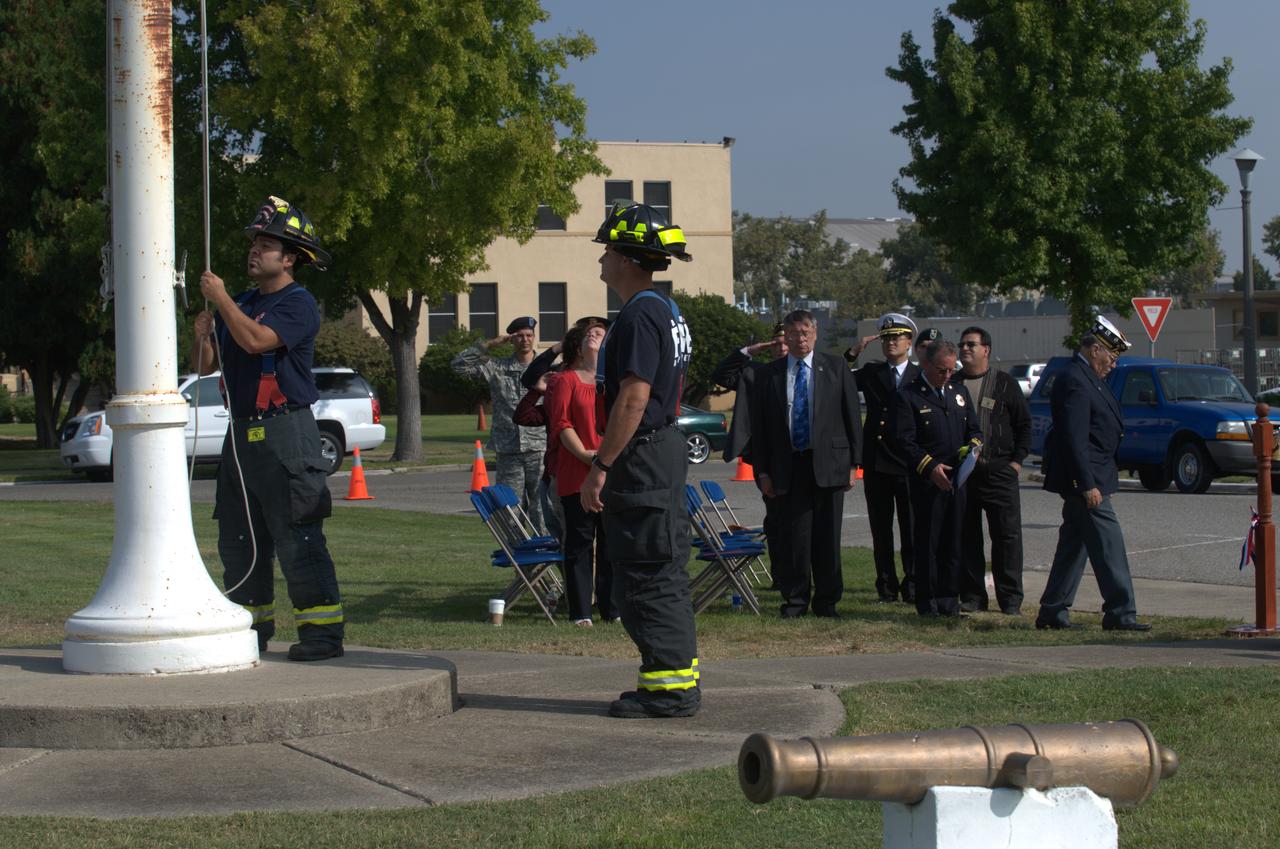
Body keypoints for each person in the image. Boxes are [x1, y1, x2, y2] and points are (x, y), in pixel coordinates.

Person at [190, 196, 344, 661]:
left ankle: (321, 636)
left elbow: (258, 341)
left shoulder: (298, 303)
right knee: (239, 539)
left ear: (290, 257)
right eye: (255, 242)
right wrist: (202, 334)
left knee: (296, 535)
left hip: (286, 433)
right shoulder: (242, 302)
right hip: (240, 436)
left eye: (267, 244)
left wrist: (219, 301)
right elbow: (202, 366)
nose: (255, 250)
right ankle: (249, 630)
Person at [579, 201, 698, 719]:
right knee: (654, 569)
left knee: (648, 573)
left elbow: (634, 397)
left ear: (626, 258)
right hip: (658, 452)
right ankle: (664, 683)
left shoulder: (641, 313)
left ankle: (670, 691)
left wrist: (600, 466)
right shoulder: (664, 311)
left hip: (644, 457)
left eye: (606, 249)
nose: (601, 260)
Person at [1036, 317, 1151, 632]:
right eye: (1111, 357)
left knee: (1074, 547)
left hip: (1094, 476)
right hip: (1086, 481)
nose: (1113, 364)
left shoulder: (1088, 376)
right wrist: (1086, 484)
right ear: (1095, 349)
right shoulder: (1075, 378)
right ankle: (1121, 612)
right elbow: (1073, 438)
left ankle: (1052, 611)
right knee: (1109, 545)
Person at [750, 309, 862, 619]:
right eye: (793, 334)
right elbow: (759, 430)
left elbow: (852, 417)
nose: (799, 339)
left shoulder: (836, 367)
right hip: (789, 465)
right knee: (795, 539)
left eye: (805, 333)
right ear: (784, 336)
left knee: (827, 538)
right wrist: (762, 472)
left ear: (815, 334)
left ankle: (827, 602)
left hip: (829, 463)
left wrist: (854, 463)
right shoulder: (768, 374)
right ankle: (795, 600)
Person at [890, 339, 983, 617]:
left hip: (957, 481)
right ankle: (927, 601)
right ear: (927, 365)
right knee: (928, 543)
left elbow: (974, 430)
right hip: (927, 481)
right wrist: (929, 467)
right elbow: (903, 440)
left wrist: (975, 447)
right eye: (942, 370)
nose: (947, 375)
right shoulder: (909, 396)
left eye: (951, 370)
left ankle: (948, 599)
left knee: (954, 542)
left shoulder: (959, 392)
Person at [956, 327, 1032, 614]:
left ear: (986, 349)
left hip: (999, 471)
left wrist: (1015, 463)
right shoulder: (954, 383)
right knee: (967, 537)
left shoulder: (1003, 383)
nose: (965, 349)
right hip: (965, 474)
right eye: (962, 344)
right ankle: (973, 596)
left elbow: (1024, 425)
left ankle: (1010, 600)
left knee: (1007, 537)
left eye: (971, 344)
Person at [546, 319, 615, 627]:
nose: (593, 334)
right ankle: (580, 612)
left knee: (612, 543)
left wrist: (605, 461)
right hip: (577, 471)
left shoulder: (614, 380)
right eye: (588, 332)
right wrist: (587, 456)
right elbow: (561, 424)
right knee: (579, 544)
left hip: (612, 471)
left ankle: (611, 609)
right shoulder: (565, 380)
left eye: (600, 331)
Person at [848, 312, 920, 604]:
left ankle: (913, 584)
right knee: (881, 529)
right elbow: (836, 376)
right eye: (887, 338)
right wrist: (854, 352)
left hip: (908, 462)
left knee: (912, 528)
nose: (891, 343)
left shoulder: (919, 374)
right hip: (877, 461)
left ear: (909, 342)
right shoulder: (873, 372)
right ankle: (886, 586)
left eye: (897, 338)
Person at [710, 322, 789, 587]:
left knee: (801, 522)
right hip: (767, 457)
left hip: (799, 456)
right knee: (777, 518)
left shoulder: (810, 372)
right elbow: (720, 375)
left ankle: (802, 575)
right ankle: (781, 576)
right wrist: (747, 352)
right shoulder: (757, 373)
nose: (782, 348)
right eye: (776, 343)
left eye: (786, 342)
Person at [452, 317, 547, 533]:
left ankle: (546, 557)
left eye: (529, 335)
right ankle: (520, 561)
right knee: (511, 510)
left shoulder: (546, 368)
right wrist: (489, 344)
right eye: (519, 336)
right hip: (509, 450)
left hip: (540, 448)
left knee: (542, 508)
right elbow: (458, 366)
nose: (525, 340)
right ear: (511, 340)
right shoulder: (497, 367)